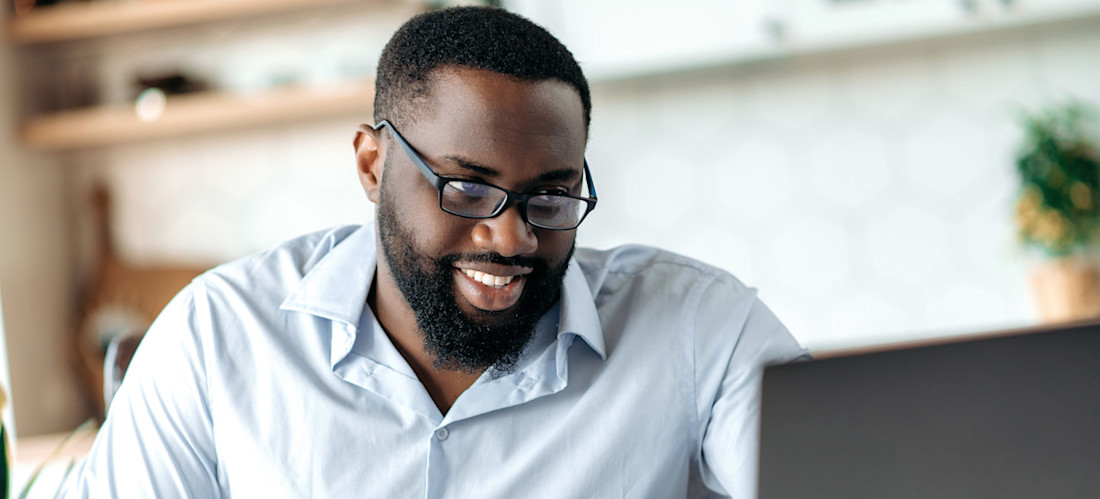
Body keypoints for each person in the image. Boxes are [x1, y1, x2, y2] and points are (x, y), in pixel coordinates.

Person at [62, 6, 808, 498]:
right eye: (468, 190)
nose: (511, 238)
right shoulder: (220, 336)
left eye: (551, 196)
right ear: (371, 165)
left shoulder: (696, 327)